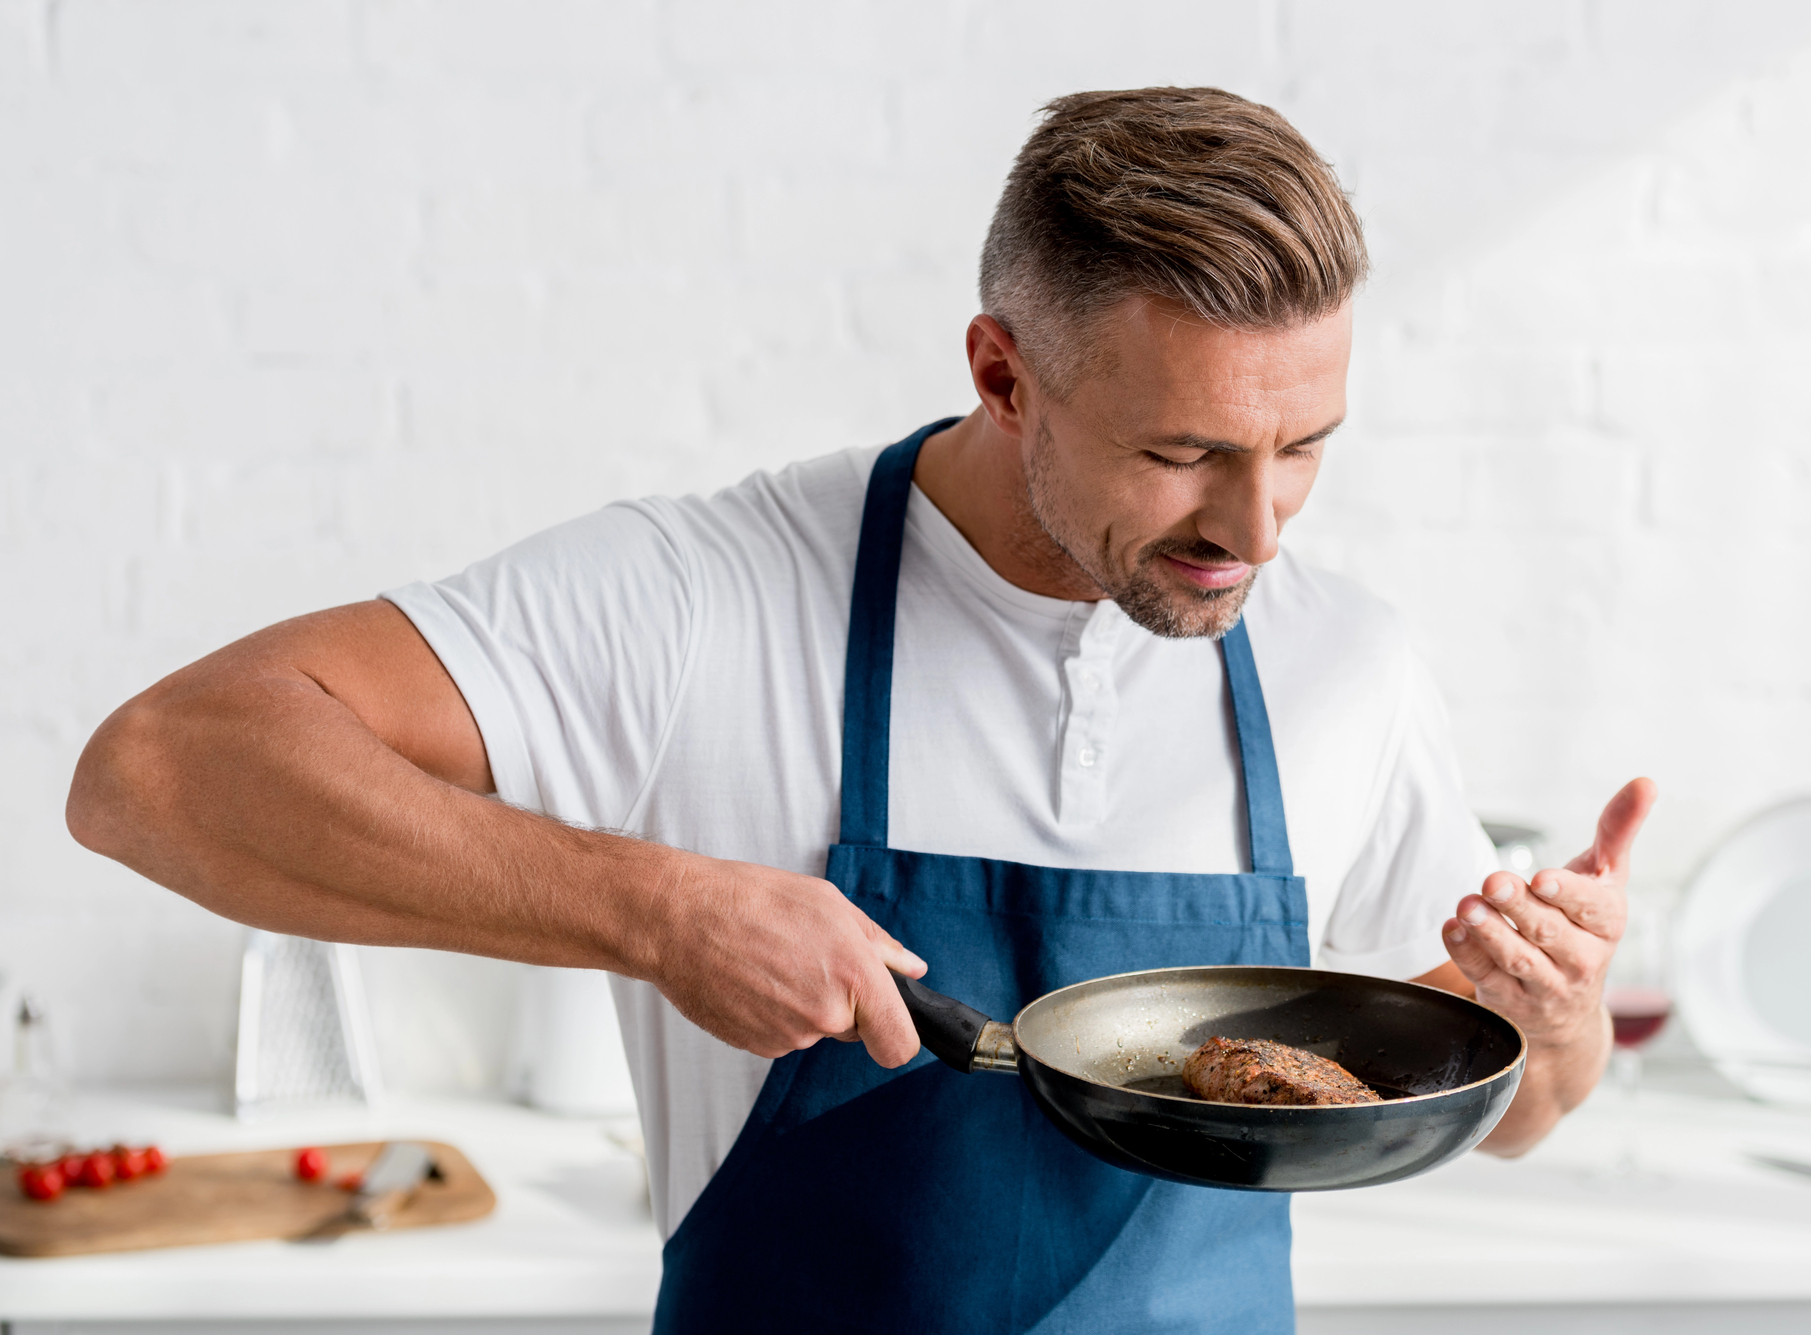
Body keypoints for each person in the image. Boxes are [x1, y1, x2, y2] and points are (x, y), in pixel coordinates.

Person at [68, 87, 1654, 1333]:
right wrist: (658, 909)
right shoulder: (713, 596)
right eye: (1182, 453)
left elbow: (1513, 1108)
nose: (1259, 527)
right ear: (1003, 370)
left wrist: (1559, 1015)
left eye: (1305, 443)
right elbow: (159, 769)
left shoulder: (1343, 662)